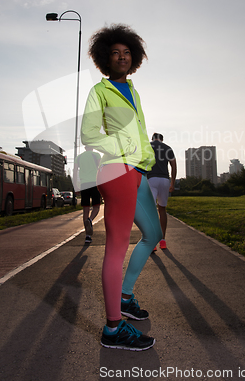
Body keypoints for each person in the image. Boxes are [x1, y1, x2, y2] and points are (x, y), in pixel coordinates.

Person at [81, 24, 162, 351]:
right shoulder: (100, 91)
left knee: (153, 234)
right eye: (115, 53)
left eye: (127, 52)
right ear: (105, 58)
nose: (122, 57)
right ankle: (113, 329)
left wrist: (144, 153)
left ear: (135, 57)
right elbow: (89, 134)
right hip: (118, 169)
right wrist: (124, 144)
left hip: (137, 170)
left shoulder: (133, 90)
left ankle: (125, 297)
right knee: (116, 247)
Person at [148, 133, 177, 250]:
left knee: (151, 211)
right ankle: (163, 240)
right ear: (162, 139)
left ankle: (152, 242)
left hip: (151, 179)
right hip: (165, 180)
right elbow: (174, 166)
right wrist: (173, 183)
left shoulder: (147, 146)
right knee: (162, 210)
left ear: (152, 138)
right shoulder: (167, 148)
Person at [74, 145, 102, 244]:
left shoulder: (79, 157)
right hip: (95, 183)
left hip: (84, 184)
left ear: (85, 147)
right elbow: (100, 168)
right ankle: (90, 220)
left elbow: (75, 171)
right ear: (92, 147)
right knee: (96, 207)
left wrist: (75, 185)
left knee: (85, 209)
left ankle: (87, 236)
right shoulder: (96, 155)